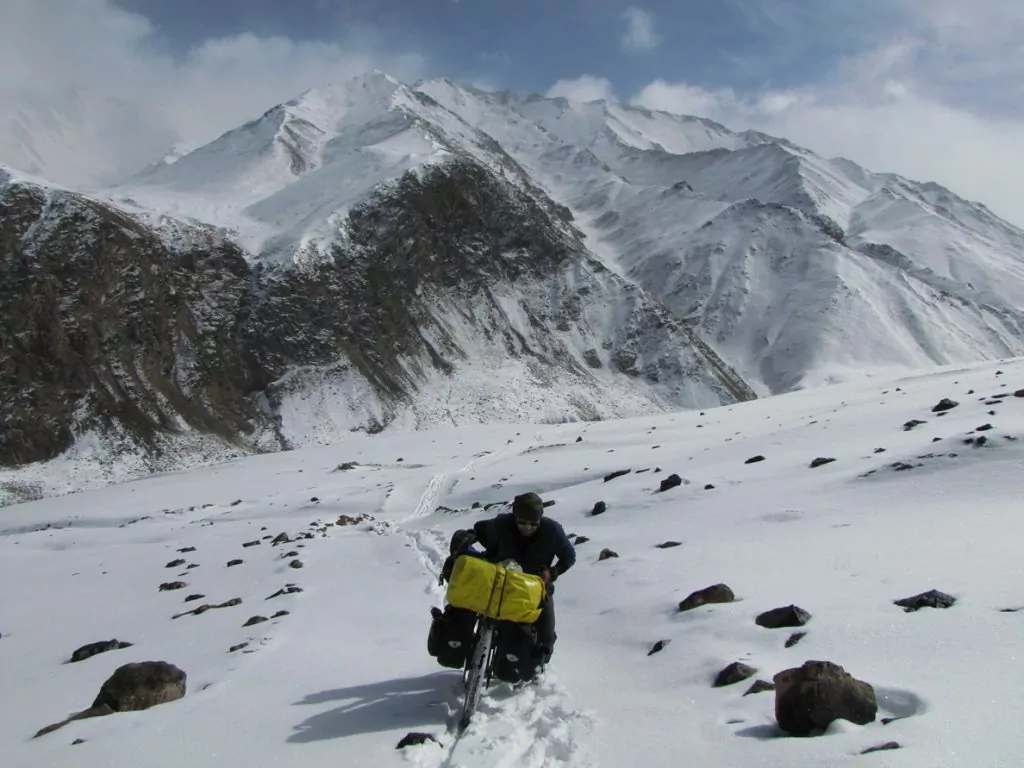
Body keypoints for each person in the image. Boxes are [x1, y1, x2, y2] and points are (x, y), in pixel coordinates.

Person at [450, 491, 575, 663]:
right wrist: (468, 539)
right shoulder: (501, 524)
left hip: (534, 587)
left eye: (533, 524)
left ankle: (537, 667)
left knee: (546, 635)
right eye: (522, 522)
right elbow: (478, 530)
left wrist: (552, 573)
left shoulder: (552, 531)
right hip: (497, 580)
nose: (527, 528)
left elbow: (569, 557)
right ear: (515, 516)